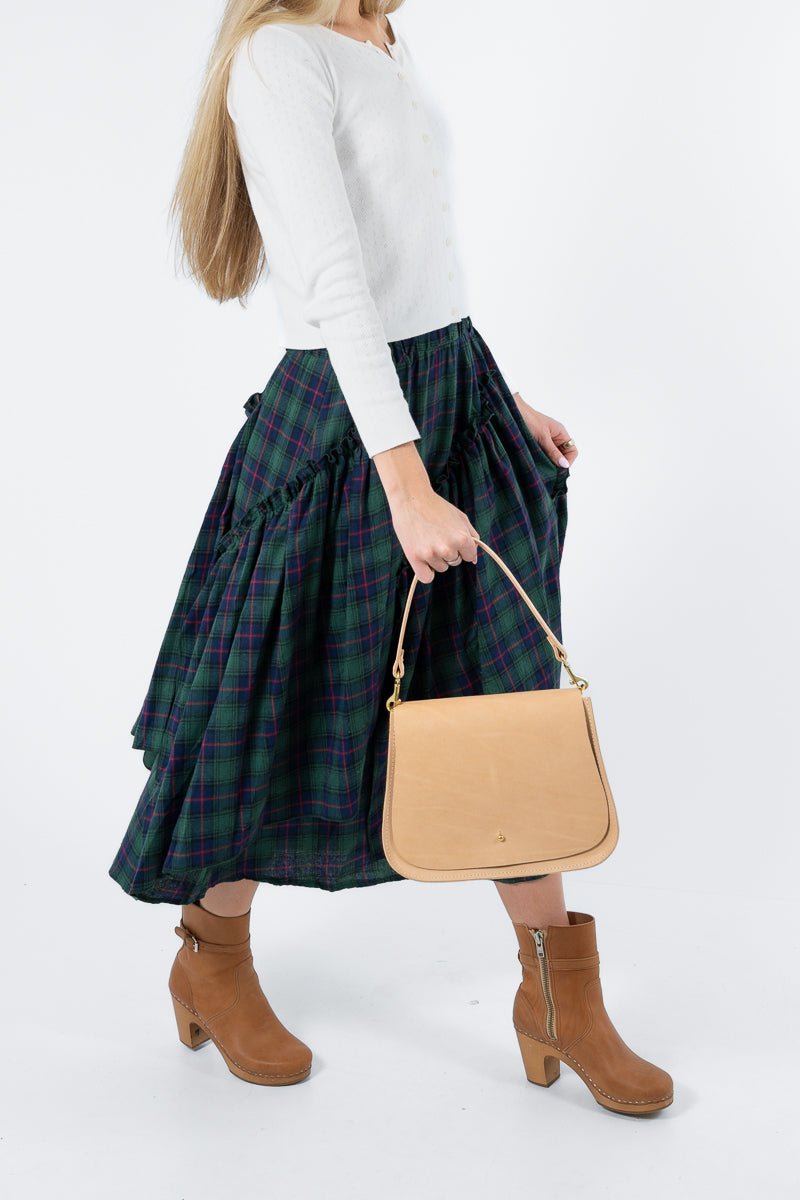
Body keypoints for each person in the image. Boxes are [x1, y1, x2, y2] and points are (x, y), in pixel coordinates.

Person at [109, 0, 672, 1114]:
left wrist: (499, 394)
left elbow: (416, 261)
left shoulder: (377, 36)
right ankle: (211, 959)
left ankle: (558, 995)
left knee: (508, 699)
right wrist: (405, 485)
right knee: (279, 705)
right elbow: (335, 282)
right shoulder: (278, 54)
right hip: (344, 430)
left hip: (451, 393)